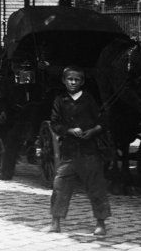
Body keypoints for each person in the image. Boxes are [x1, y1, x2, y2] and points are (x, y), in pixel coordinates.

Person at [47, 66, 110, 237]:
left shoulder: (89, 100)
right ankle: (55, 221)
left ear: (82, 82)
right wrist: (69, 130)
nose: (73, 82)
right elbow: (55, 123)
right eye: (70, 79)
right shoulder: (60, 100)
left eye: (77, 80)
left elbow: (103, 122)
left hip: (90, 151)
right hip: (69, 151)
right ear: (64, 81)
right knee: (60, 186)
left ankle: (101, 223)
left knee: (96, 187)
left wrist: (93, 131)